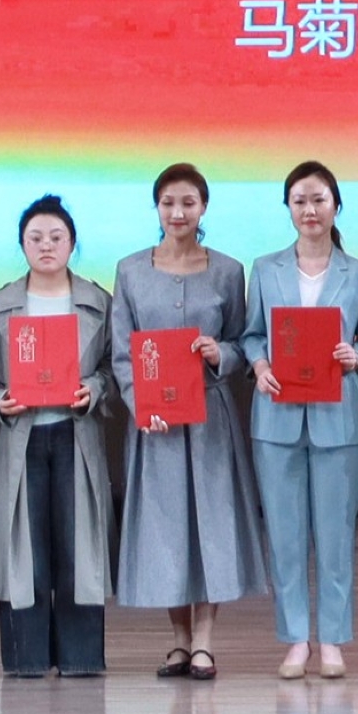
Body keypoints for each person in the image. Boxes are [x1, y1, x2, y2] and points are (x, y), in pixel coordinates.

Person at [113, 163, 265, 680]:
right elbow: (121, 353)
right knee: (166, 527)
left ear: (203, 208)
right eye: (168, 203)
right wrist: (141, 404)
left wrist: (220, 353)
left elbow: (245, 342)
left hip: (209, 419)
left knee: (211, 525)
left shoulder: (228, 271)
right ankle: (178, 639)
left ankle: (204, 641)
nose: (178, 213)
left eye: (188, 203)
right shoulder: (130, 271)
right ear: (156, 208)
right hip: (155, 422)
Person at [242, 161, 358, 680]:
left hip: (338, 418)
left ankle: (333, 640)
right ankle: (296, 639)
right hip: (277, 417)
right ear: (288, 208)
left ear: (336, 206)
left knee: (336, 535)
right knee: (285, 535)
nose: (310, 210)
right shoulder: (265, 269)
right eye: (299, 200)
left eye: (319, 199)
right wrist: (259, 366)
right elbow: (251, 334)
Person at [0, 195, 115, 678]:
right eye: (35, 237)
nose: (46, 245)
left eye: (57, 237)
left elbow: (113, 366)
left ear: (72, 243)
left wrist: (94, 389)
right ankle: (27, 657)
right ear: (22, 244)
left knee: (79, 548)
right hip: (20, 438)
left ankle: (81, 657)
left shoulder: (98, 302)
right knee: (24, 549)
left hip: (75, 434)